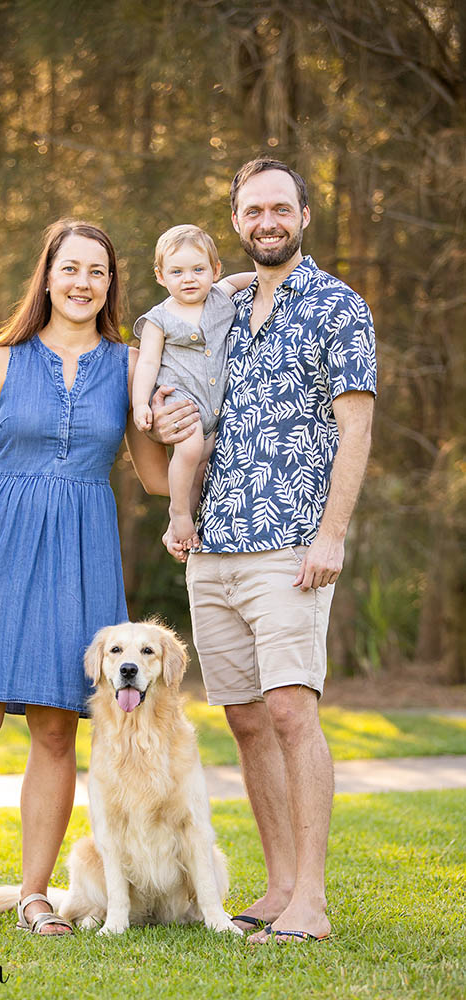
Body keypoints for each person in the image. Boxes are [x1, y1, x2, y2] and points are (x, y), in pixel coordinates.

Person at [0, 219, 168, 937]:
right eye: (70, 268)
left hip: (81, 548)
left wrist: (187, 425)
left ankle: (35, 895)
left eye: (98, 272)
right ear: (46, 276)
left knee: (53, 731)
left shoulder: (129, 361)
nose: (83, 283)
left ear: (111, 285)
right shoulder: (0, 361)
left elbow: (153, 476)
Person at [153, 159, 376, 944]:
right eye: (252, 210)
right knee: (245, 718)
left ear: (304, 216)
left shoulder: (336, 306)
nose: (266, 220)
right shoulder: (221, 308)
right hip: (214, 545)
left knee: (290, 709)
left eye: (280, 207)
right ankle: (279, 885)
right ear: (237, 222)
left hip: (290, 544)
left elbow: (355, 428)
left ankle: (311, 902)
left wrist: (331, 535)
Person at [132, 225, 253, 550]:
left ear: (215, 270)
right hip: (182, 404)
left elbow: (244, 280)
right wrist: (141, 403)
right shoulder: (159, 319)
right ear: (161, 276)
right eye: (177, 271)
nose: (188, 278)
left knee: (200, 472)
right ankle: (178, 513)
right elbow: (147, 364)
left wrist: (268, 280)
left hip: (216, 409)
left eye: (198, 269)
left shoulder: (220, 295)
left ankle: (184, 530)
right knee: (188, 451)